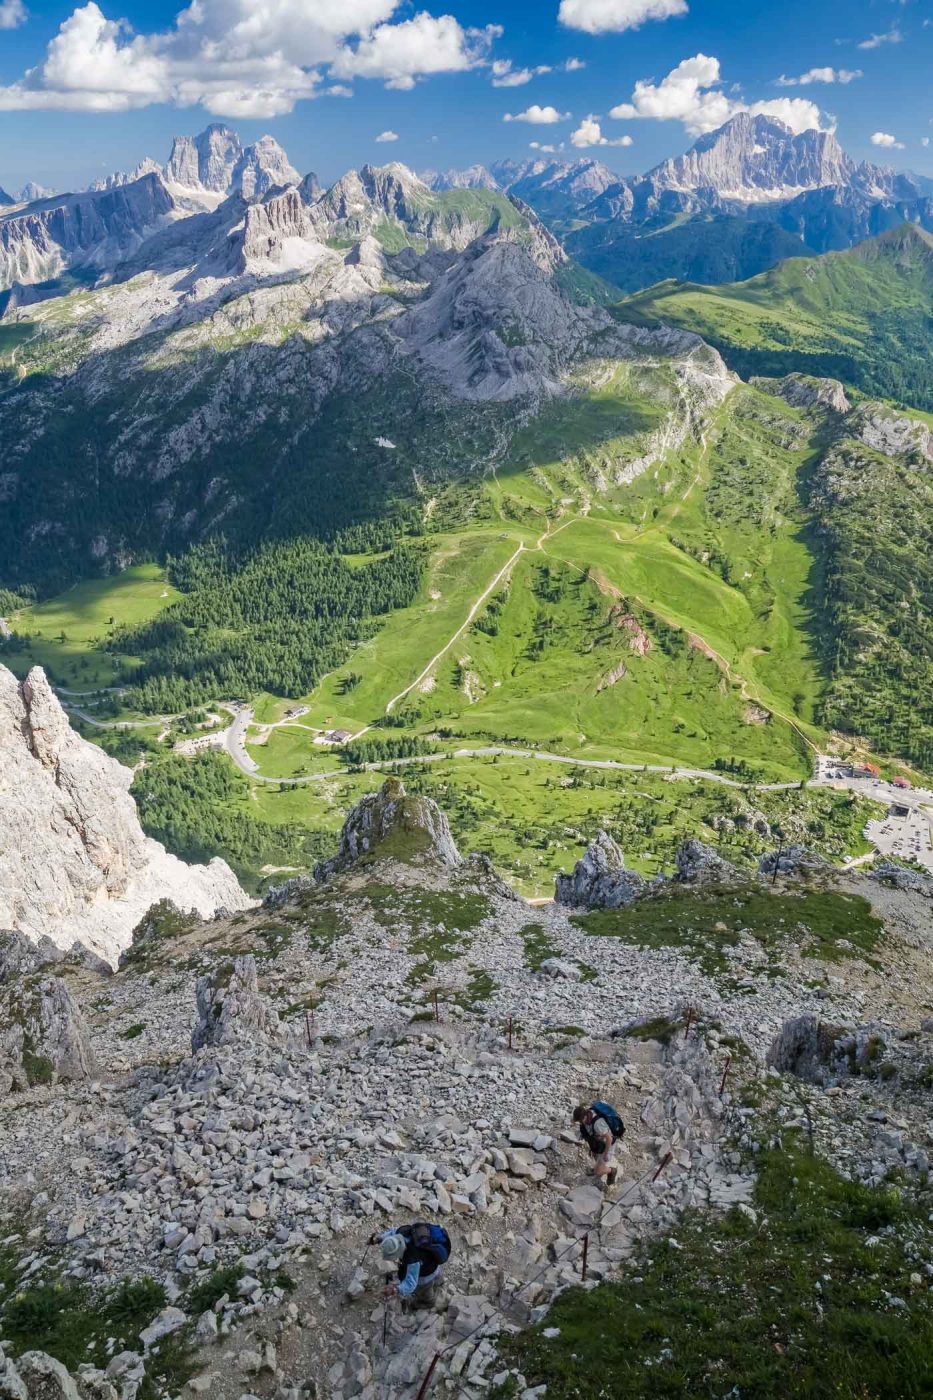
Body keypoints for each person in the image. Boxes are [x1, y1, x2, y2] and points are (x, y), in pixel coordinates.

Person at [373, 1222, 451, 1307]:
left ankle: (428, 1302)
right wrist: (379, 1238)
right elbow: (392, 1233)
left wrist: (395, 1289)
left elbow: (411, 1283)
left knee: (424, 1289)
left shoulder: (412, 1257)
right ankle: (439, 1283)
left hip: (426, 1275)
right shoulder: (402, 1232)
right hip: (433, 1262)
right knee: (436, 1277)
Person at [573, 1100, 624, 1186]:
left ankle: (611, 1171)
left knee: (598, 1171)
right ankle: (598, 1166)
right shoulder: (588, 1116)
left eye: (579, 1121)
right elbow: (591, 1134)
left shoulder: (597, 1124)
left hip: (608, 1144)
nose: (579, 1123)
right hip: (599, 1142)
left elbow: (609, 1138)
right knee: (597, 1158)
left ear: (583, 1118)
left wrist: (606, 1154)